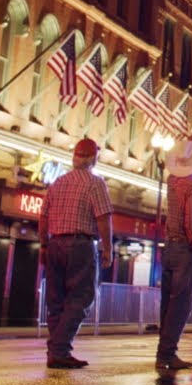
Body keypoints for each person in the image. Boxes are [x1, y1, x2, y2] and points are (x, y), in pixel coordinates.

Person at [37, 138, 114, 369]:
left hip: (55, 244)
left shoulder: (58, 182)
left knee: (56, 301)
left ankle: (56, 351)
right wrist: (108, 248)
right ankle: (60, 350)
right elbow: (103, 218)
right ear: (93, 158)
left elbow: (43, 216)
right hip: (80, 245)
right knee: (81, 298)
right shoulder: (95, 183)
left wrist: (43, 245)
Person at [156, 139, 192, 371]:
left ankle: (163, 353)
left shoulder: (171, 179)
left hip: (169, 245)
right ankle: (167, 354)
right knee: (181, 304)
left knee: (167, 303)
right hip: (183, 247)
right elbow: (191, 221)